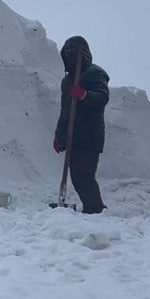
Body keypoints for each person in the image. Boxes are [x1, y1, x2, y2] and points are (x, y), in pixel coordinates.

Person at [53, 36, 110, 214]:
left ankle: (96, 209)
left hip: (90, 134)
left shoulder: (95, 73)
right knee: (77, 176)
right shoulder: (67, 81)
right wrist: (59, 135)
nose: (69, 57)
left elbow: (102, 97)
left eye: (73, 54)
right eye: (67, 54)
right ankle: (92, 209)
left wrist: (85, 94)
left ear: (82, 54)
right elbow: (65, 111)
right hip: (73, 136)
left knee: (83, 175)